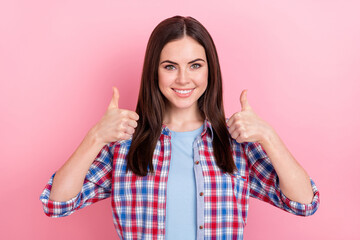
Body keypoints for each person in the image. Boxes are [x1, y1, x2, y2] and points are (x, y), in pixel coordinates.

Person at [40, 15, 320, 240]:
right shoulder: (125, 143)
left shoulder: (234, 143)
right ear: (154, 71)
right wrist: (96, 136)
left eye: (195, 65)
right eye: (170, 66)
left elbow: (305, 203)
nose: (184, 79)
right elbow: (57, 204)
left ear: (210, 70)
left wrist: (268, 136)